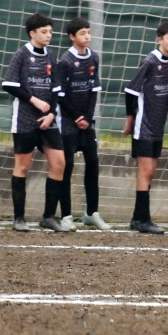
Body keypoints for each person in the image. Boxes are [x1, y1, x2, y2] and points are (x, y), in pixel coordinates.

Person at [2, 13, 68, 232]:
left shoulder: (52, 56)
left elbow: (57, 90)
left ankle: (49, 216)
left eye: (50, 31)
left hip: (48, 119)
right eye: (44, 31)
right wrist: (34, 100)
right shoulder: (21, 55)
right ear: (32, 33)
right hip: (25, 118)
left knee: (59, 163)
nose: (48, 35)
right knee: (23, 166)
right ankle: (19, 218)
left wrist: (51, 113)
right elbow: (9, 84)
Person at [123, 21, 168, 234]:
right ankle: (143, 219)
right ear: (159, 39)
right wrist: (130, 119)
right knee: (145, 171)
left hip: (158, 126)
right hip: (144, 125)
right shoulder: (149, 61)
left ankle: (138, 218)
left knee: (152, 172)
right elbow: (130, 91)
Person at [56, 16, 110, 231]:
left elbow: (93, 90)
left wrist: (87, 117)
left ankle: (92, 213)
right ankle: (67, 215)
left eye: (88, 32)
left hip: (87, 123)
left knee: (93, 164)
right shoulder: (65, 61)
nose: (87, 36)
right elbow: (60, 95)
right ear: (72, 37)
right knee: (67, 167)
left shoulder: (93, 58)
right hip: (69, 122)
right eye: (82, 33)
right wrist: (77, 117)